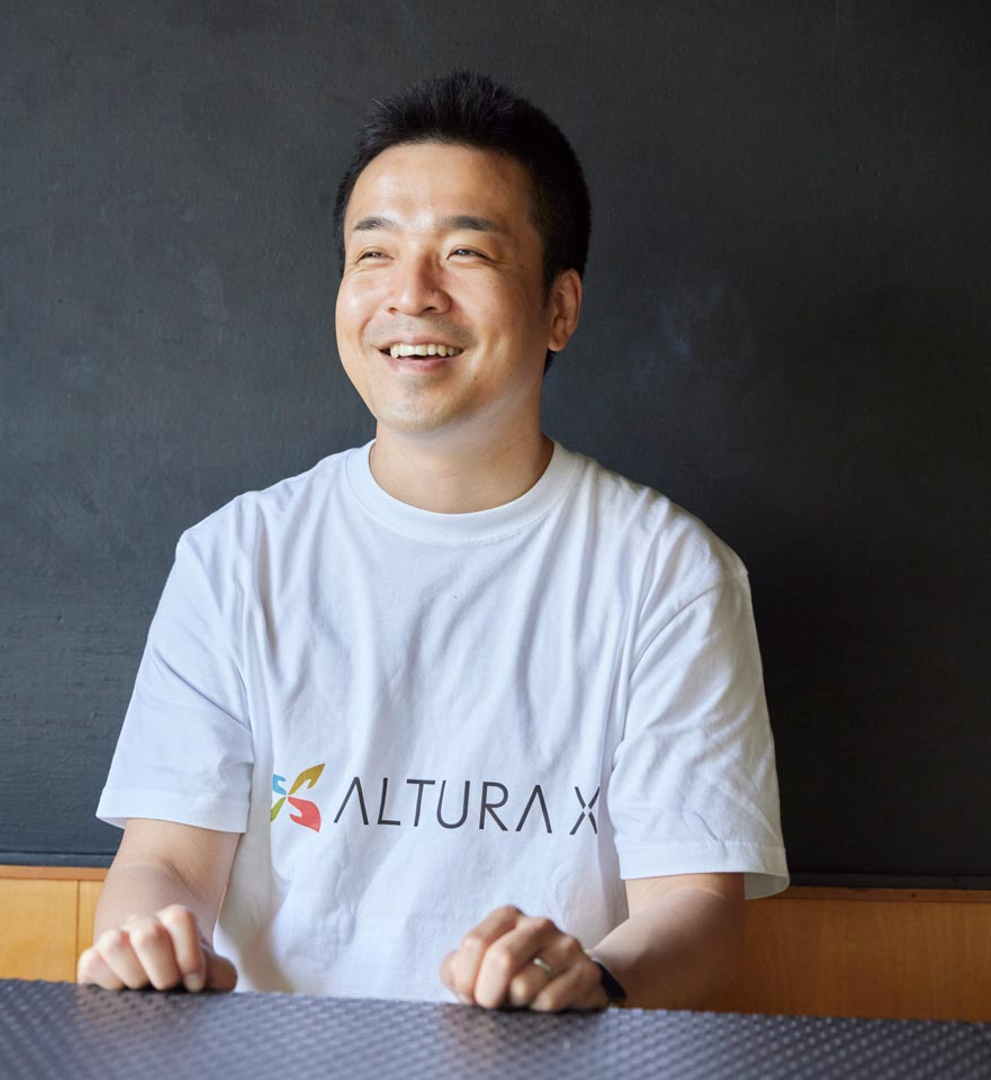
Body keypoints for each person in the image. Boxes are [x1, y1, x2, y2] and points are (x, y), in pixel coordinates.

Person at [80, 71, 787, 1012]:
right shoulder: (236, 557)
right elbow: (164, 861)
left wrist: (595, 979)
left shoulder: (670, 574)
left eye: (465, 253)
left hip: (550, 1063)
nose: (409, 295)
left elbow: (697, 904)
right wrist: (151, 940)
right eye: (373, 253)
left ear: (560, 309)